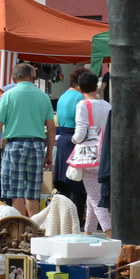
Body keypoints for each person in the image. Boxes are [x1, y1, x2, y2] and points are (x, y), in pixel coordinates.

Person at [0, 63, 56, 216]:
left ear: (14, 77)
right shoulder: (43, 96)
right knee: (33, 193)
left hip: (14, 145)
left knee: (15, 192)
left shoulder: (8, 95)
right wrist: (49, 152)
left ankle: (19, 231)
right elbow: (51, 128)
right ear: (32, 77)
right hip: (37, 145)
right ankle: (34, 230)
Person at [70, 70, 112, 234]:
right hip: (105, 153)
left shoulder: (83, 104)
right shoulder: (107, 105)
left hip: (88, 154)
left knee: (94, 198)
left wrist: (73, 140)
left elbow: (80, 133)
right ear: (97, 86)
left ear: (80, 88)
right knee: (92, 194)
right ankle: (88, 231)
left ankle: (110, 232)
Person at [53, 67, 90, 215]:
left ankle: (63, 218)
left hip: (63, 139)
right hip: (75, 139)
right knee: (77, 184)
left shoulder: (63, 96)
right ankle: (75, 218)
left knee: (64, 184)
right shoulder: (80, 98)